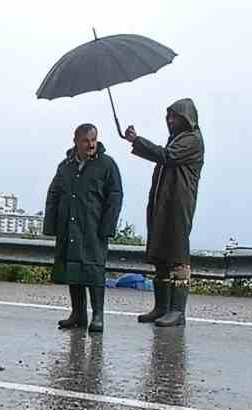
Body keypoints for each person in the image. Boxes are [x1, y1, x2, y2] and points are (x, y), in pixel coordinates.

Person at [125, 98, 204, 327]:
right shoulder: (176, 140)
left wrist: (136, 140)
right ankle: (161, 307)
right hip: (162, 205)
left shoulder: (192, 140)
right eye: (168, 117)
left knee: (178, 257)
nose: (169, 121)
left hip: (178, 206)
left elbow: (166, 156)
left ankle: (177, 311)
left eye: (174, 117)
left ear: (186, 118)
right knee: (160, 256)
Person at [44, 123, 123, 333]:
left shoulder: (107, 165)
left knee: (94, 270)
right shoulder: (65, 166)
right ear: (76, 141)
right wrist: (51, 225)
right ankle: (78, 314)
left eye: (93, 140)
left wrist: (108, 226)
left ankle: (98, 316)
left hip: (93, 228)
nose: (90, 145)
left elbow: (115, 196)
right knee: (73, 269)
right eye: (86, 140)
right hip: (69, 227)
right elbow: (54, 194)